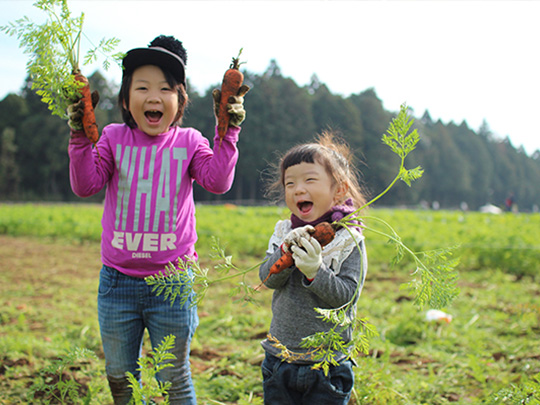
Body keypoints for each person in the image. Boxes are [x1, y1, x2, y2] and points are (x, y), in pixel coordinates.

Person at [67, 35, 249, 404]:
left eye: (166, 89)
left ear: (180, 101)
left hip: (174, 283)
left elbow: (217, 181)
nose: (154, 97)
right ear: (125, 99)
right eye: (143, 87)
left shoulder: (190, 142)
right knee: (121, 378)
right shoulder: (113, 139)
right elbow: (85, 184)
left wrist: (227, 131)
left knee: (172, 379)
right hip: (118, 285)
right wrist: (79, 135)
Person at [259, 132, 368, 404]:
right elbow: (267, 279)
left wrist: (315, 271)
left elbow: (346, 295)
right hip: (280, 357)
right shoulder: (285, 231)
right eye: (290, 183)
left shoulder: (348, 239)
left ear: (339, 190)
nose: (298, 189)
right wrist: (285, 253)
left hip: (327, 364)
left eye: (309, 180)